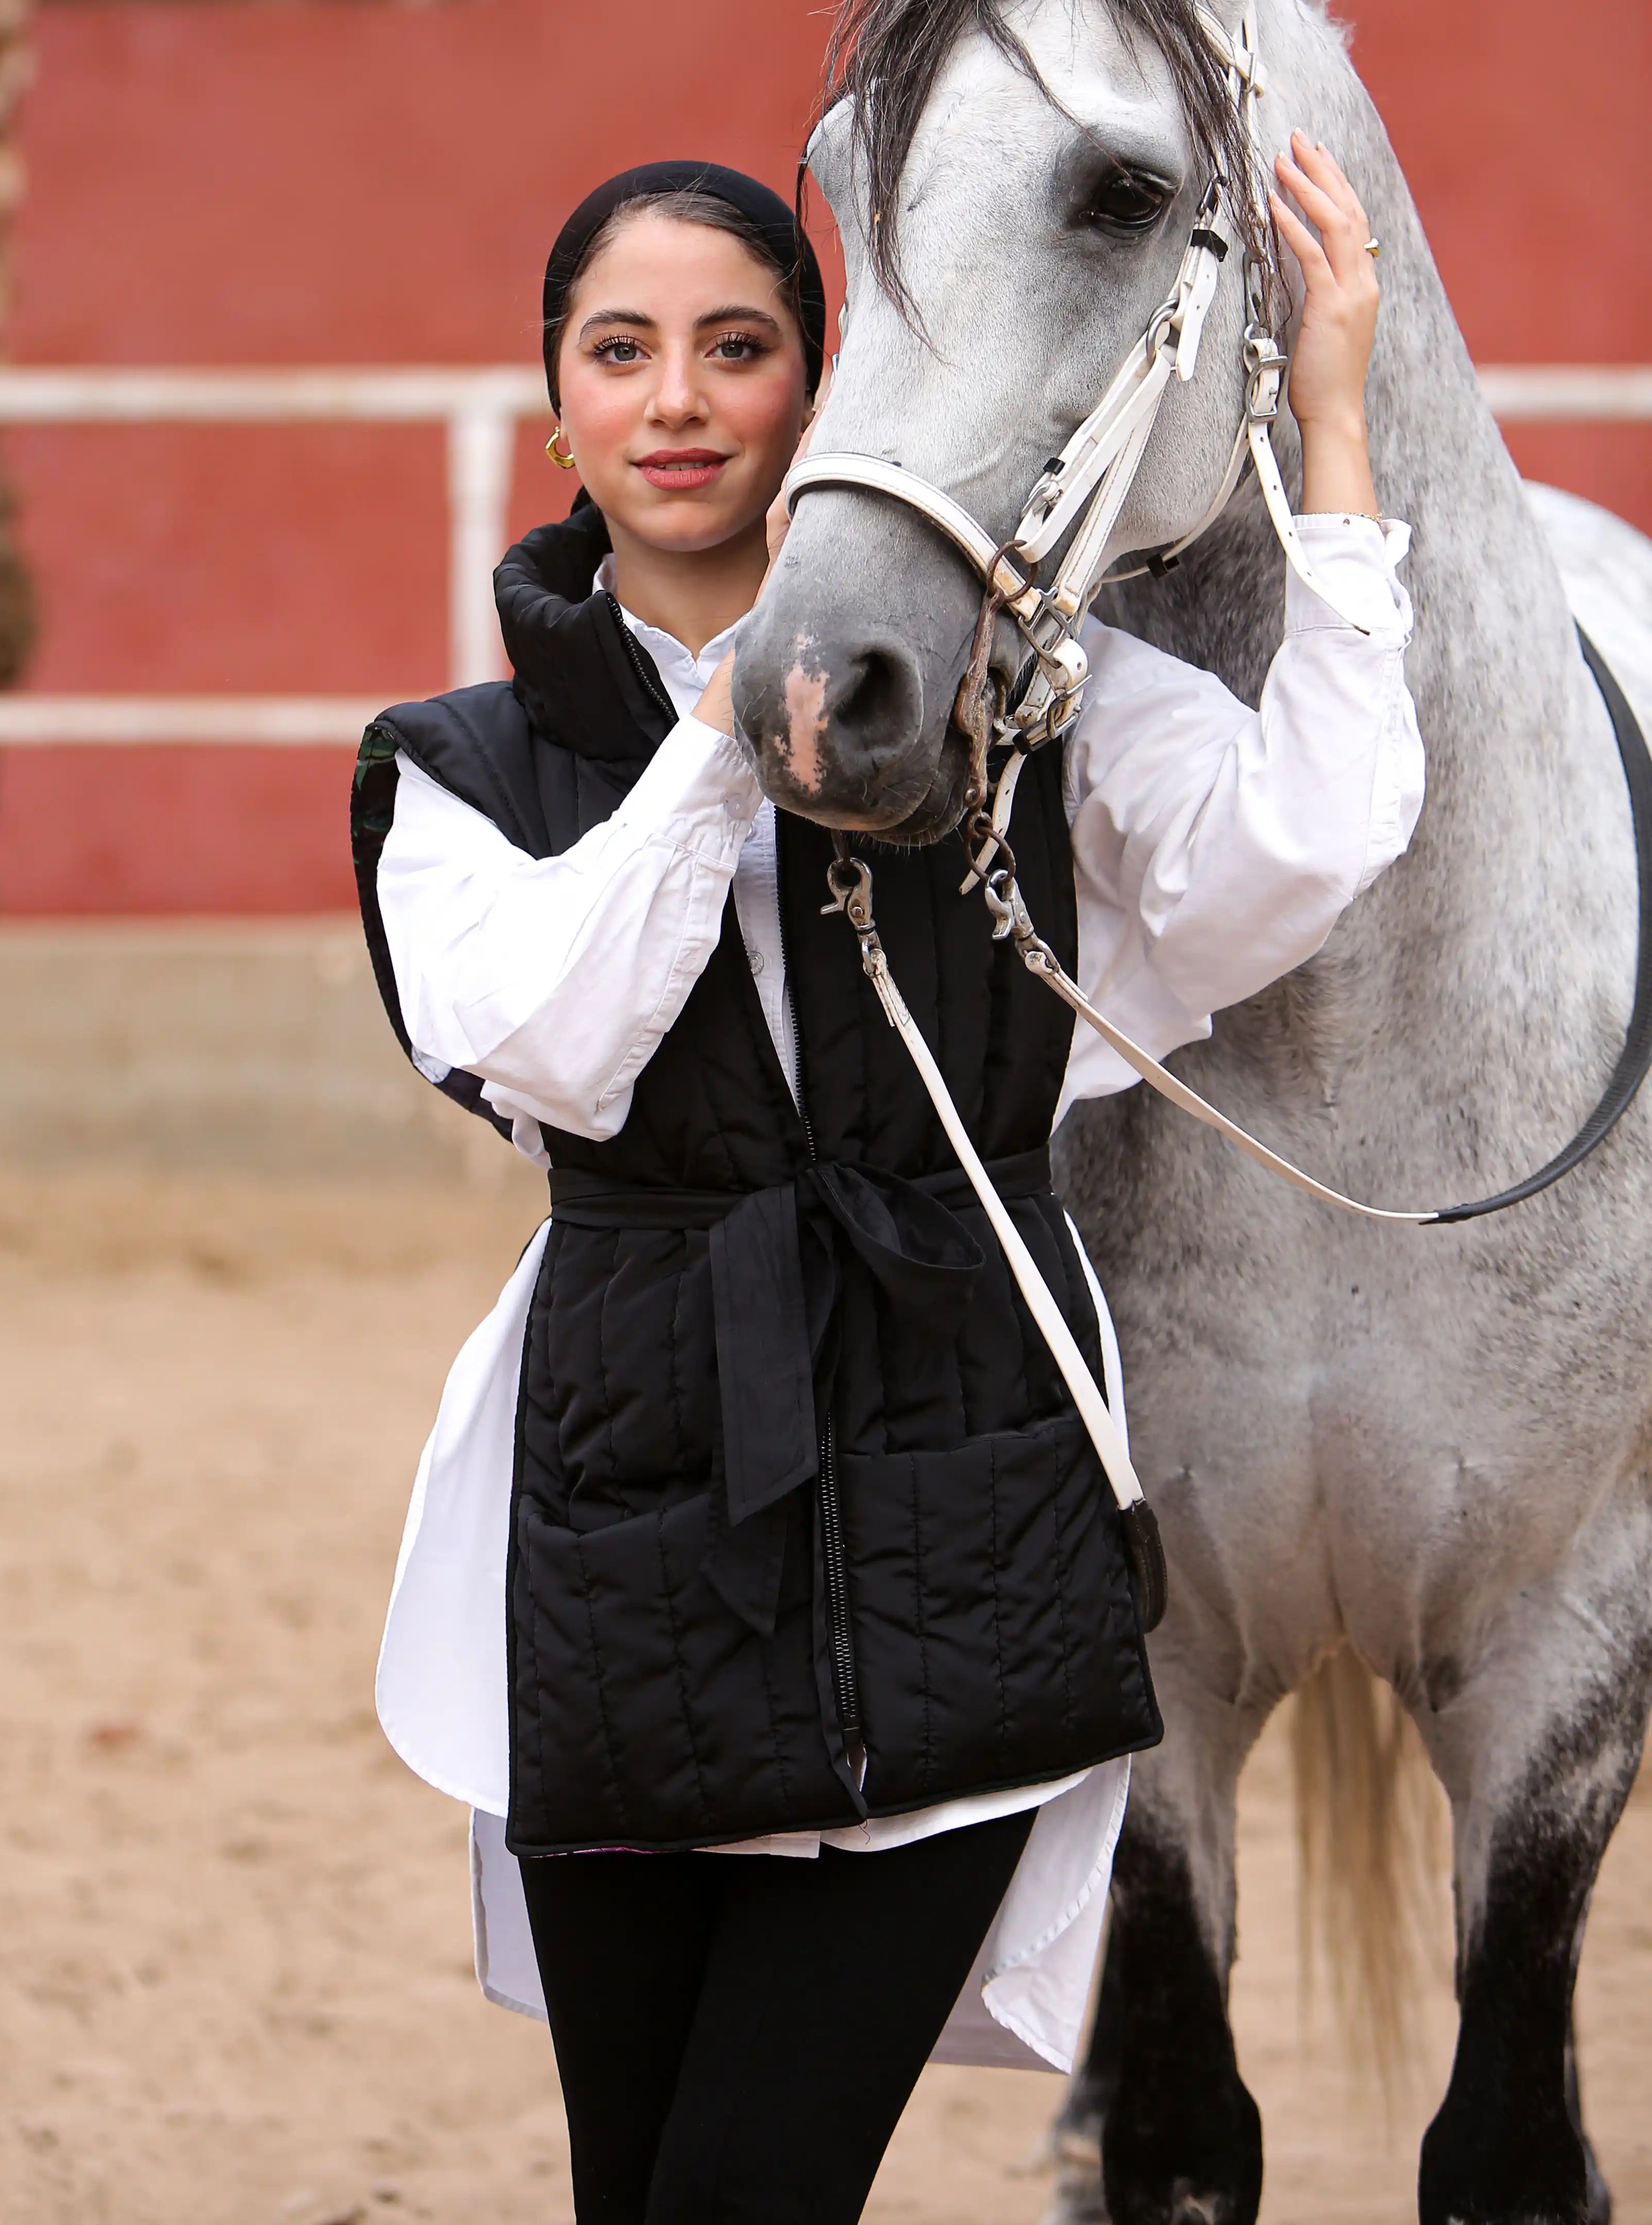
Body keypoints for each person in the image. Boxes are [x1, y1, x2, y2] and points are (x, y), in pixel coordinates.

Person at [350, 143, 1422, 2225]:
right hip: (627, 1513)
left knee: (754, 2189)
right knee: (638, 2188)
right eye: (620, 351)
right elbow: (557, 1048)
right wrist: (734, 724)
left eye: (736, 347)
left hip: (970, 1486)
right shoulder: (450, 769)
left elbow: (1303, 838)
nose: (676, 400)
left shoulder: (1028, 706)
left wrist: (1336, 421)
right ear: (557, 400)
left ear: (821, 390)